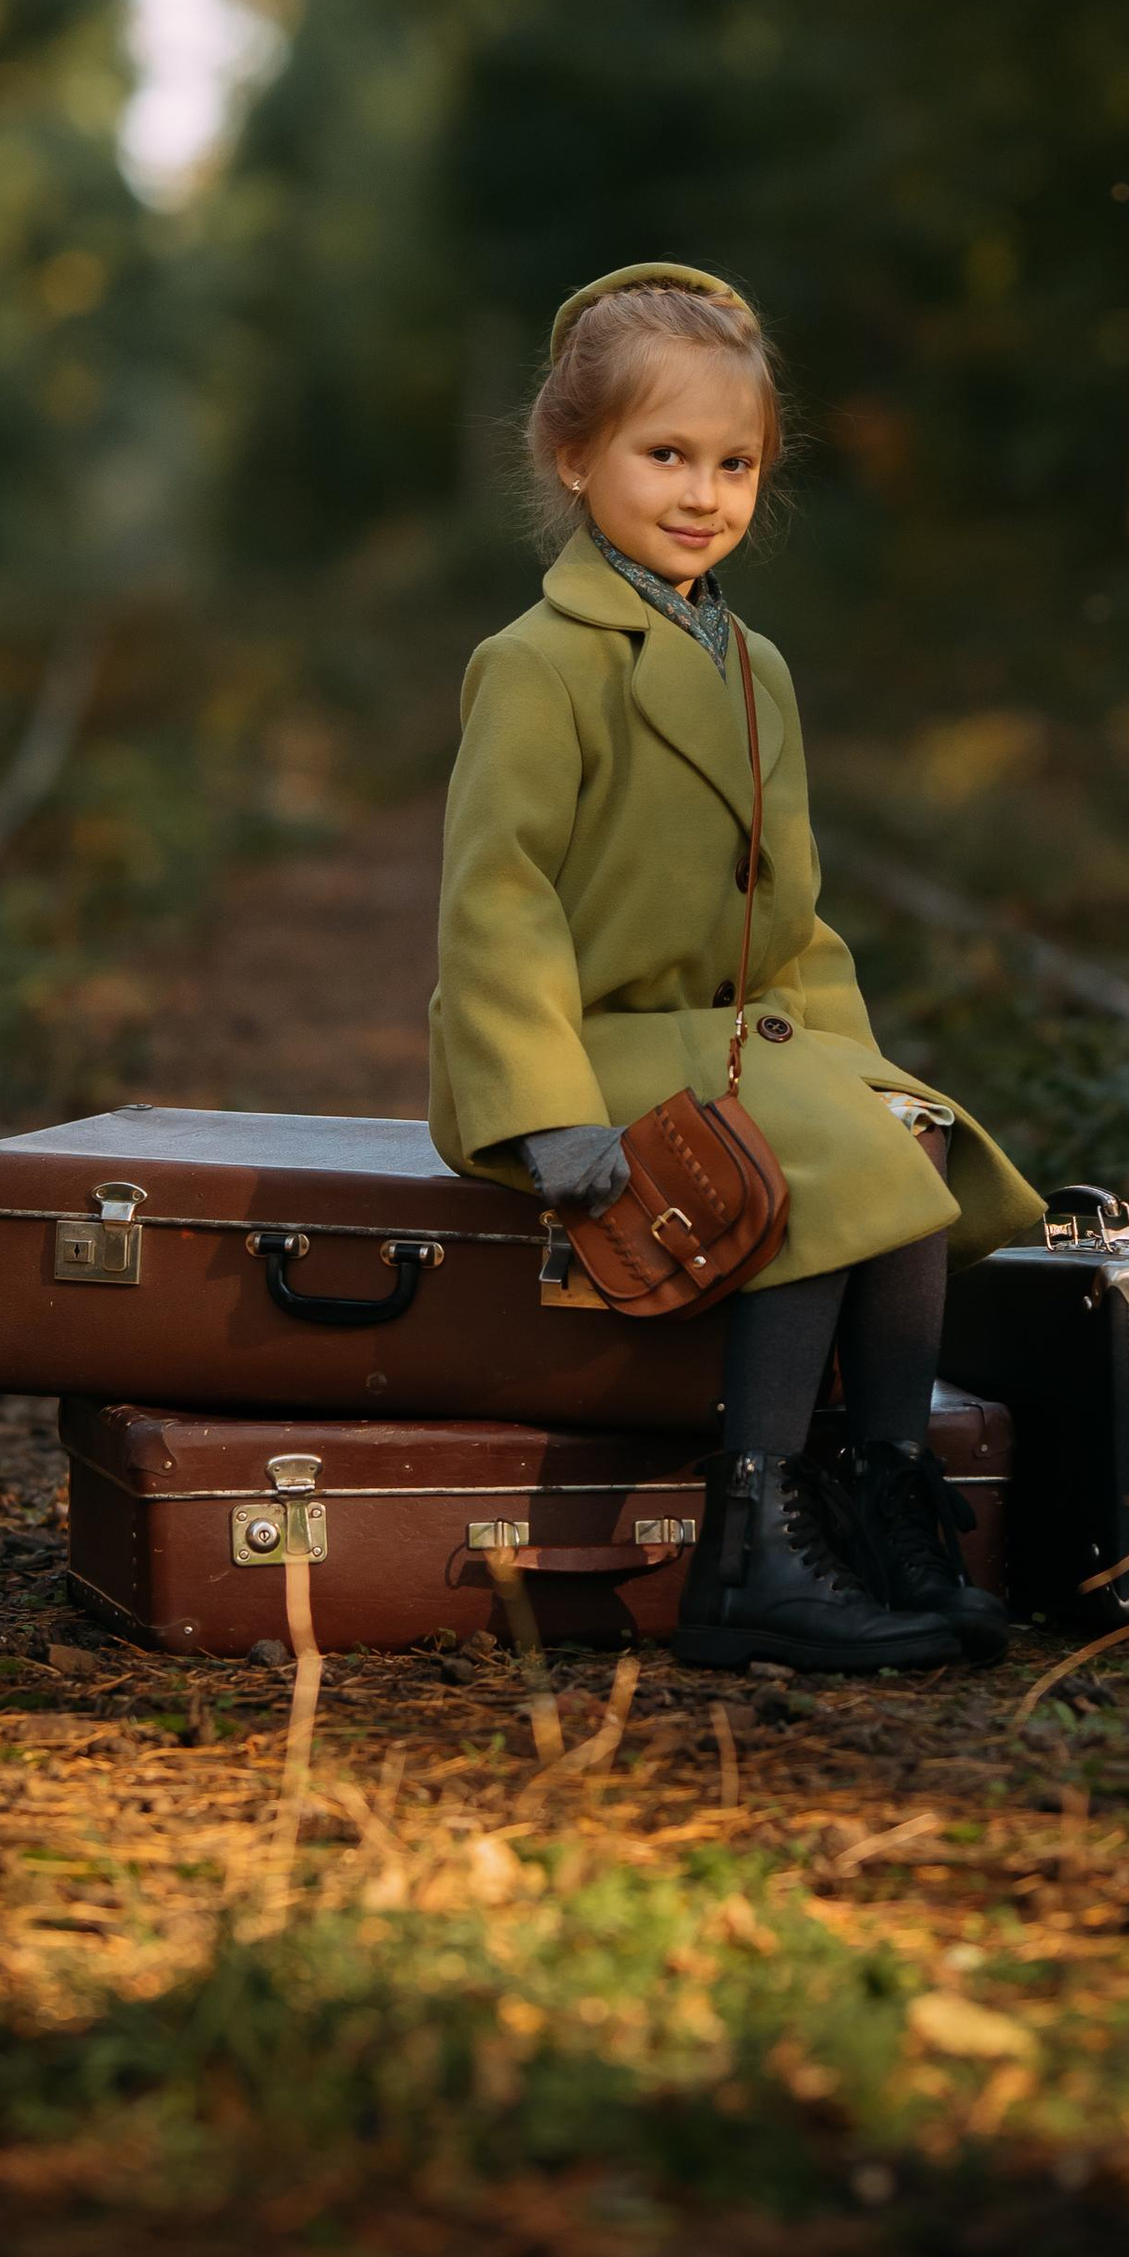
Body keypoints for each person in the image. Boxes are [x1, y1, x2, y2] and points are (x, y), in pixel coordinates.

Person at [429, 260, 1045, 1672]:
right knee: (813, 1147)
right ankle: (747, 1547)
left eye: (736, 463)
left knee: (903, 1138)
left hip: (725, 1025)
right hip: (586, 1048)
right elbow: (498, 899)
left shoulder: (752, 662)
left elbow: (792, 913)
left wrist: (854, 1064)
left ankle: (880, 1498)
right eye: (666, 454)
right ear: (574, 457)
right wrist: (548, 1104)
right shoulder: (538, 661)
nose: (703, 493)